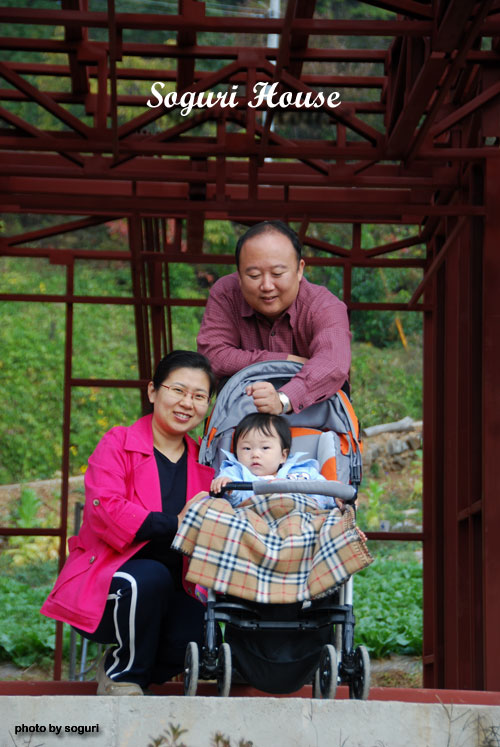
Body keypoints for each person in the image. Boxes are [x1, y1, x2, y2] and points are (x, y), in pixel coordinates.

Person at [40, 350, 216, 695]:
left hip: (175, 584)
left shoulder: (204, 462)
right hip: (110, 580)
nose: (187, 403)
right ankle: (124, 676)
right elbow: (104, 508)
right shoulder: (118, 443)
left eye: (199, 396)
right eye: (177, 390)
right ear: (153, 392)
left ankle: (124, 667)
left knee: (197, 634)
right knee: (147, 578)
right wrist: (174, 523)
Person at [197, 220, 351, 415]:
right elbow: (212, 355)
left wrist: (283, 399)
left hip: (314, 423)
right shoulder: (226, 294)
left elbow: (333, 364)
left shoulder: (325, 306)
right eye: (254, 276)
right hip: (243, 423)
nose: (267, 286)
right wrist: (286, 360)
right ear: (239, 275)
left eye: (277, 273)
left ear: (299, 269)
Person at [210, 412, 336, 509]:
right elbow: (231, 502)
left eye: (265, 448)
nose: (255, 454)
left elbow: (325, 492)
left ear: (283, 456)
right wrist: (226, 486)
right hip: (253, 521)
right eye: (246, 448)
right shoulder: (235, 473)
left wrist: (336, 497)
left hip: (298, 517)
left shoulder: (304, 472)